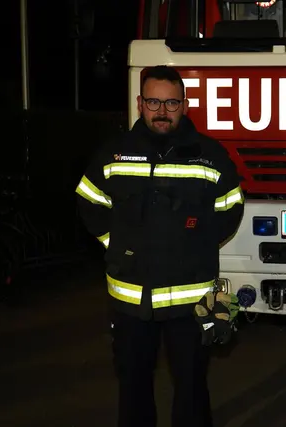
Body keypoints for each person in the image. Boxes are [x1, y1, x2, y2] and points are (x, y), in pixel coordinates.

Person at [75, 65, 244, 427]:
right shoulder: (115, 153)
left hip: (192, 299)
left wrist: (197, 245)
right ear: (140, 103)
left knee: (192, 387)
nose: (162, 111)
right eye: (154, 102)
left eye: (171, 103)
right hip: (131, 296)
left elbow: (231, 206)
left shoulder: (210, 154)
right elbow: (88, 199)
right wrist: (116, 244)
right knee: (132, 386)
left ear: (185, 105)